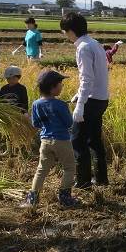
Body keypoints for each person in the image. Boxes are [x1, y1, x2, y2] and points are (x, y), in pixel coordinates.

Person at [60, 12, 110, 189]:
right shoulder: (94, 43)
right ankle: (102, 179)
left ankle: (83, 181)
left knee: (78, 141)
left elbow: (86, 78)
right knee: (94, 140)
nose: (65, 35)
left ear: (71, 31)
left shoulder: (82, 48)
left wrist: (80, 104)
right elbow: (97, 75)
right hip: (101, 98)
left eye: (65, 31)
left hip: (90, 101)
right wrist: (78, 94)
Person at [20, 70, 80, 208]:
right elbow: (69, 123)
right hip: (62, 141)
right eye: (60, 84)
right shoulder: (60, 105)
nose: (62, 86)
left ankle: (32, 199)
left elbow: (35, 124)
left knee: (41, 170)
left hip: (45, 141)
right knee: (70, 168)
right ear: (53, 87)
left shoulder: (36, 104)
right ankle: (65, 198)